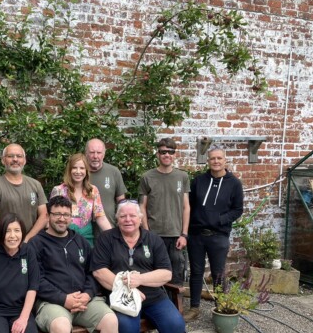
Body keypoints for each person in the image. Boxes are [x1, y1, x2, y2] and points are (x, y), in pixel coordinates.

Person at [29, 196, 119, 333]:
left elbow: (92, 272)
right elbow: (36, 280)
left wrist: (87, 295)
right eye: (57, 214)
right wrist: (64, 299)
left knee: (110, 321)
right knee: (60, 327)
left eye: (66, 214)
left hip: (83, 300)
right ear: (48, 216)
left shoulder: (79, 241)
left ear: (72, 217)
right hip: (52, 303)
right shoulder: (36, 244)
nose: (62, 218)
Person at [92, 200, 185, 333]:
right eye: (123, 216)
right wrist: (128, 286)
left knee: (175, 325)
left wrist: (140, 279)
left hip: (152, 296)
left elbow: (166, 273)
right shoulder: (106, 239)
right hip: (121, 298)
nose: (128, 220)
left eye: (132, 216)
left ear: (140, 219)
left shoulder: (153, 239)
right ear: (116, 219)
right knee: (126, 326)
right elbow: (99, 271)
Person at [184, 144, 244, 322]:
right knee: (196, 272)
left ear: (225, 160)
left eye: (219, 158)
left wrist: (219, 220)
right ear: (208, 161)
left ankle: (221, 307)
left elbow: (237, 210)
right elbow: (190, 206)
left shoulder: (234, 184)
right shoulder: (199, 181)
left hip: (218, 236)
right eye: (212, 158)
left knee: (218, 273)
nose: (216, 161)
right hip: (196, 235)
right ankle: (194, 308)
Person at [139, 138, 190, 286]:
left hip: (175, 236)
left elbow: (186, 207)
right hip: (154, 235)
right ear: (158, 154)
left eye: (171, 152)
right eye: (163, 152)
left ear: (175, 154)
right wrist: (146, 232)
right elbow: (142, 206)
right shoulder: (147, 177)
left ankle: (175, 309)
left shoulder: (183, 177)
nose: (167, 155)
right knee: (153, 274)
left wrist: (184, 234)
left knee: (175, 277)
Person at [0, 143, 47, 242]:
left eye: (19, 156)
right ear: (3, 160)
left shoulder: (35, 185)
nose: (15, 159)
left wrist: (26, 240)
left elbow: (44, 216)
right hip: (5, 244)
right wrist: (11, 240)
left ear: (24, 160)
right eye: (10, 156)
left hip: (32, 243)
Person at [50, 154, 111, 246]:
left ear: (86, 171)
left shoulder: (93, 190)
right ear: (69, 170)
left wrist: (113, 237)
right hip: (62, 239)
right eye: (74, 168)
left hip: (86, 240)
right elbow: (51, 218)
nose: (78, 171)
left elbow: (100, 217)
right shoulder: (58, 190)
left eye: (82, 168)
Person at [85, 138, 127, 227]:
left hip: (108, 228)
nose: (95, 156)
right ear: (86, 154)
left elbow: (121, 201)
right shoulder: (79, 172)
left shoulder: (113, 171)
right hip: (83, 230)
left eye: (99, 153)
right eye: (92, 152)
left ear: (104, 154)